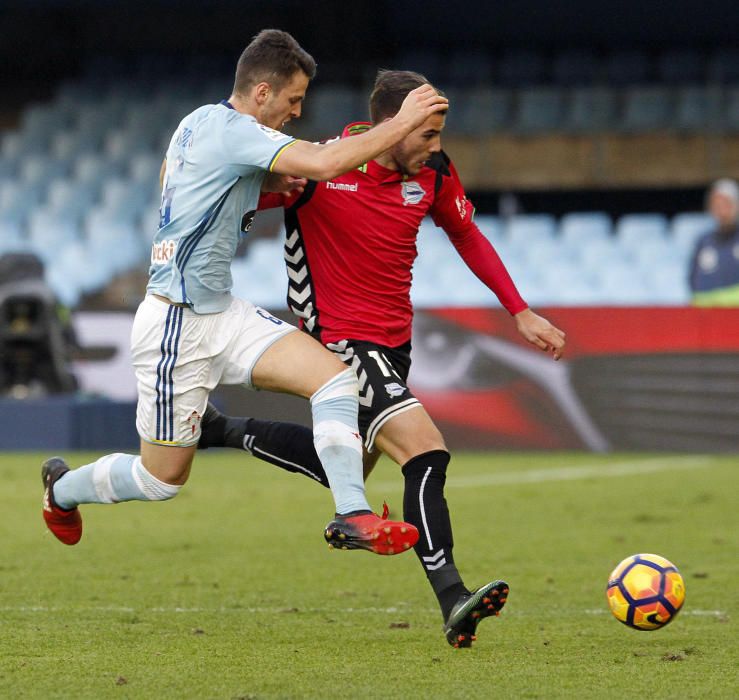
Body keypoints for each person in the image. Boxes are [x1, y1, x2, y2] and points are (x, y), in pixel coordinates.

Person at [41, 32, 450, 557]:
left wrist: (261, 190)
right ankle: (62, 490)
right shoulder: (236, 131)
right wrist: (399, 124)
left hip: (223, 312)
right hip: (176, 327)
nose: (296, 112)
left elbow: (176, 177)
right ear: (262, 92)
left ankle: (353, 513)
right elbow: (326, 165)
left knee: (335, 381)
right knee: (161, 478)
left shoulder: (197, 122)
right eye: (294, 99)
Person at [198, 70, 566, 647]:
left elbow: (468, 235)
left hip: (395, 344)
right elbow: (231, 193)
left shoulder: (436, 173)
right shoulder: (324, 166)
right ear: (390, 127)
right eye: (425, 133)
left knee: (342, 465)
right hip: (339, 341)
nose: (436, 146)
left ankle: (221, 430)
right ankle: (452, 596)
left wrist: (519, 310)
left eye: (440, 133)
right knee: (425, 450)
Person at [689, 178, 739, 306]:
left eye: (726, 204)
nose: (721, 210)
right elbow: (692, 280)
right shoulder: (703, 242)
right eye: (716, 205)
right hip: (708, 318)